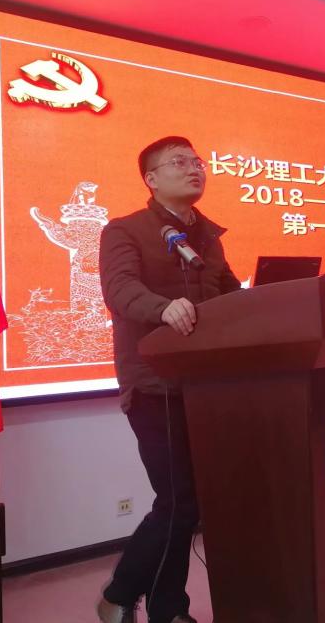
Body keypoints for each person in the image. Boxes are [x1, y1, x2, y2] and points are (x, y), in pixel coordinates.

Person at [96, 136, 242, 623]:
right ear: (151, 179)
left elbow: (231, 296)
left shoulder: (208, 238)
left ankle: (167, 609)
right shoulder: (125, 230)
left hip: (205, 385)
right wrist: (163, 308)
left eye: (197, 161)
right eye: (180, 161)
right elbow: (119, 290)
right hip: (153, 383)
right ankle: (118, 594)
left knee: (188, 502)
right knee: (179, 500)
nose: (194, 168)